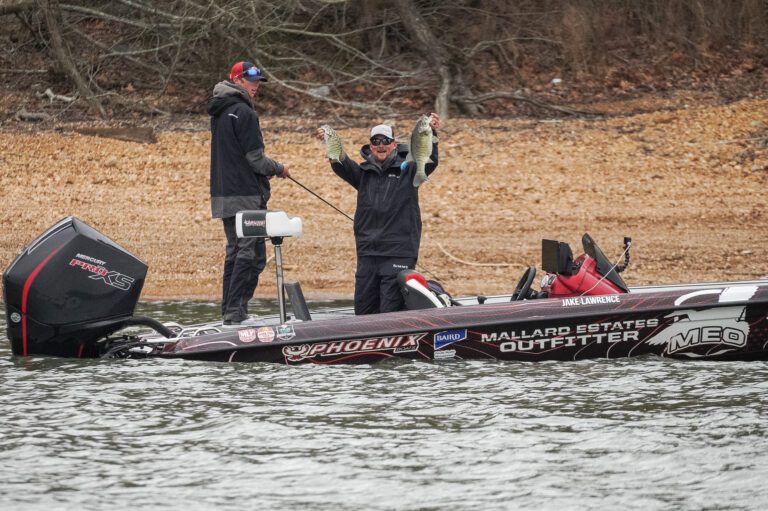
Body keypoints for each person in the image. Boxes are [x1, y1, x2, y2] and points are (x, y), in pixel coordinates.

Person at [315, 114, 440, 315]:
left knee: (389, 309)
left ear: (393, 144)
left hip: (398, 250)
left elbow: (430, 160)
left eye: (385, 141)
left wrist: (432, 132)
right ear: (371, 146)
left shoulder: (408, 169)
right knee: (363, 309)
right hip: (368, 252)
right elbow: (340, 163)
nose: (380, 145)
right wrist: (329, 139)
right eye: (376, 141)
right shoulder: (363, 173)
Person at [208, 61, 290, 326]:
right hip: (245, 195)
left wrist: (257, 170)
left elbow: (236, 156)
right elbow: (256, 160)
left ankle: (231, 313)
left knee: (235, 251)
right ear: (237, 80)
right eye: (250, 80)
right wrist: (279, 168)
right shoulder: (245, 113)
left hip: (223, 194)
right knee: (252, 256)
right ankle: (236, 313)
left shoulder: (219, 111)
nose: (255, 86)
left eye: (257, 81)